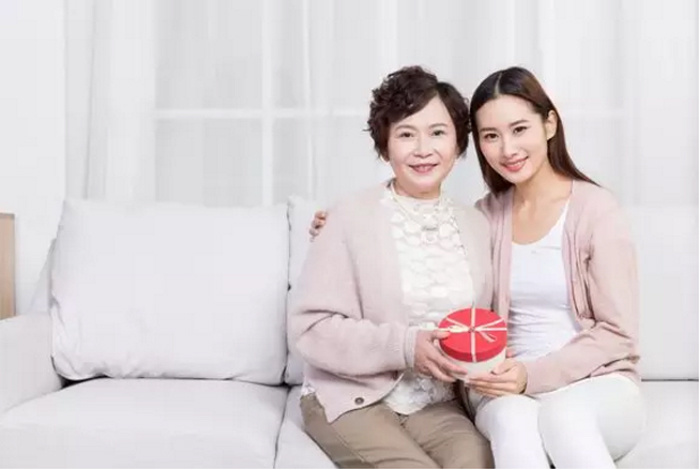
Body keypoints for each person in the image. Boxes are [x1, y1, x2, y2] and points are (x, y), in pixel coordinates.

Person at [309, 66, 645, 469]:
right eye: (491, 136)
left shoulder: (595, 211)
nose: (507, 148)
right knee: (512, 422)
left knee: (563, 416)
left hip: (592, 381)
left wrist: (530, 374)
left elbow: (618, 334)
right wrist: (336, 225)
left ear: (550, 124)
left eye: (519, 129)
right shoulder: (484, 217)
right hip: (501, 385)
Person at [289, 65, 494, 469]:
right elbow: (310, 328)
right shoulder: (349, 217)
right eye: (405, 134)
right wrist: (405, 346)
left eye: (437, 132)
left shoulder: (477, 225)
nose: (423, 149)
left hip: (437, 405)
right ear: (385, 147)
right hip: (353, 397)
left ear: (458, 143)